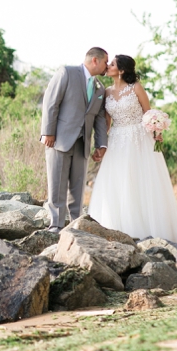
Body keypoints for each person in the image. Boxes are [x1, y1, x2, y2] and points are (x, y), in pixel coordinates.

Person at [87, 54, 177, 241]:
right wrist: (100, 146)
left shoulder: (136, 88)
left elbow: (148, 113)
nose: (108, 66)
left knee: (142, 181)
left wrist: (157, 129)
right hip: (117, 140)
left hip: (139, 139)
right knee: (119, 182)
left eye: (113, 64)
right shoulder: (106, 92)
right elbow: (107, 124)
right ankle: (122, 229)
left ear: (122, 70)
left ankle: (151, 230)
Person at [40, 47, 109, 232]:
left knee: (77, 189)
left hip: (82, 143)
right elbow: (50, 102)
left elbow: (100, 118)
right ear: (95, 60)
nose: (107, 66)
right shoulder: (67, 72)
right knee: (57, 184)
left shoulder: (100, 88)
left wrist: (101, 144)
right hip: (59, 139)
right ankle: (55, 224)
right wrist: (48, 132)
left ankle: (76, 225)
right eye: (105, 62)